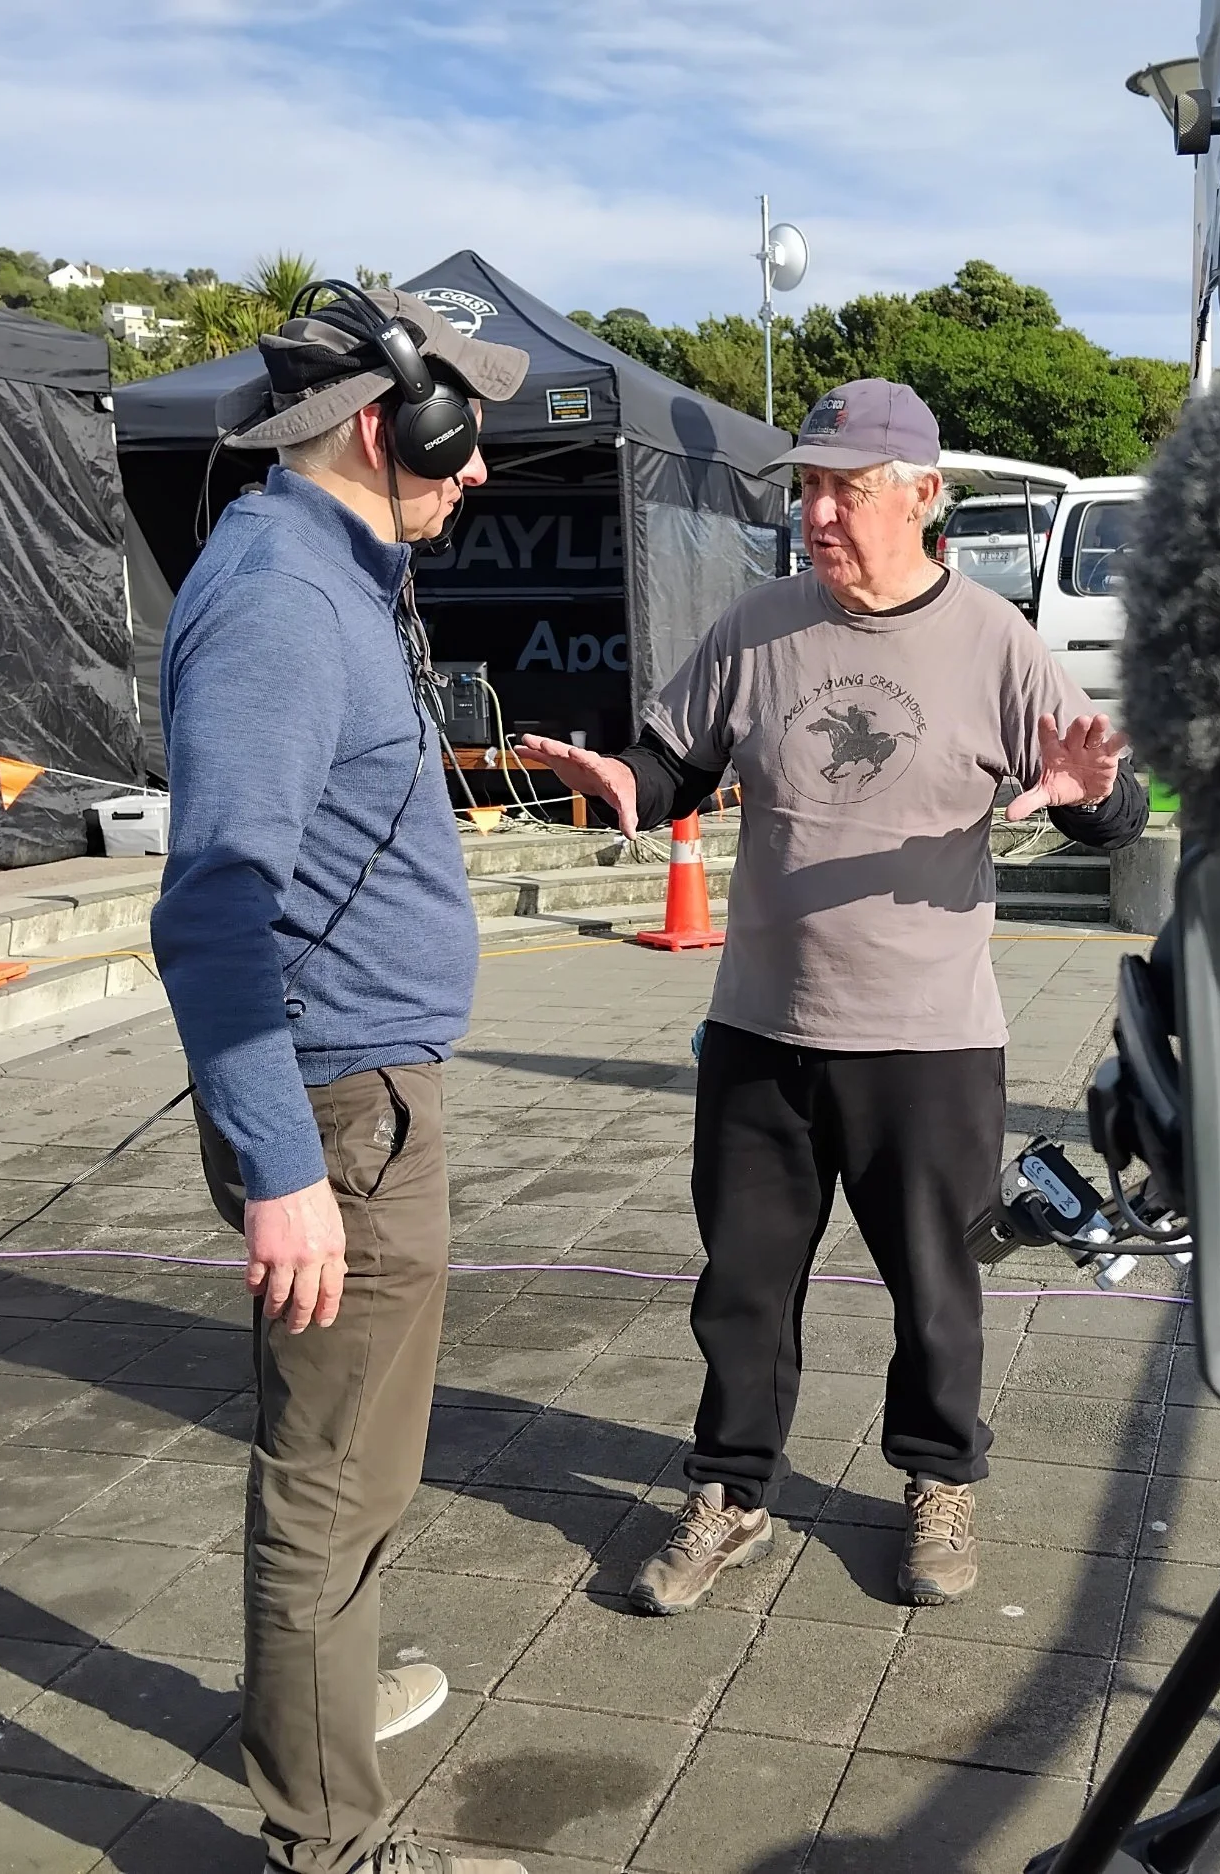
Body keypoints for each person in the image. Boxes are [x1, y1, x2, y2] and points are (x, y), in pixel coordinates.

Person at [523, 380, 1146, 1614]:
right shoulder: (756, 626)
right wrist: (628, 783)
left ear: (922, 498)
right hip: (761, 1026)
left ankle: (939, 1480)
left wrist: (1087, 795)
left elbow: (1106, 806)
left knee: (937, 1287)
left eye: (844, 490)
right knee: (743, 1286)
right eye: (806, 487)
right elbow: (674, 761)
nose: (815, 512)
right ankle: (731, 1493)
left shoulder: (994, 641)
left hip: (928, 1040)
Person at [151, 288, 530, 1874]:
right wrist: (285, 1167)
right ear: (389, 426)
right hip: (339, 1120)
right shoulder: (284, 604)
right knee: (328, 1481)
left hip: (354, 1101)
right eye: (465, 435)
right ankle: (328, 1839)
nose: (479, 469)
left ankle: (330, 1698)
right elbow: (212, 904)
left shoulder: (328, 572)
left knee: (357, 1461)